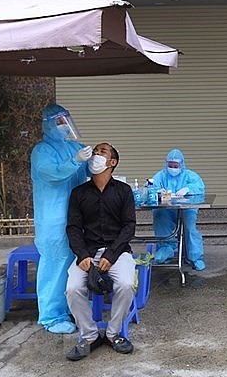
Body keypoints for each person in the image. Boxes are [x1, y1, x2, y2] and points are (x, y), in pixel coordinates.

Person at [65, 142, 137, 361]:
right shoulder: (79, 193)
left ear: (112, 162)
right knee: (73, 288)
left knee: (125, 285)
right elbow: (74, 228)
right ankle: (89, 336)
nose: (95, 154)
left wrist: (112, 254)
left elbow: (129, 226)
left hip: (118, 252)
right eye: (95, 151)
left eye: (102, 151)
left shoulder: (124, 191)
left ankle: (114, 334)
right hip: (88, 252)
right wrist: (82, 255)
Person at [31, 103, 92, 334]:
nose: (64, 126)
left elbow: (85, 171)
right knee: (55, 265)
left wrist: (95, 163)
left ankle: (72, 309)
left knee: (74, 265)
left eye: (65, 120)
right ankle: (52, 316)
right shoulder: (41, 151)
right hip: (54, 219)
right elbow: (53, 174)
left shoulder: (72, 147)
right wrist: (76, 160)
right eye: (59, 122)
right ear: (47, 124)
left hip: (76, 216)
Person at [152, 148, 206, 270]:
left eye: (175, 166)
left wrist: (188, 189)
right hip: (166, 209)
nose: (173, 168)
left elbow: (200, 188)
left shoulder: (190, 176)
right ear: (166, 164)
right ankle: (166, 250)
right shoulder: (160, 176)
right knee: (160, 217)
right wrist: (158, 192)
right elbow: (152, 187)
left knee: (189, 227)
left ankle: (195, 257)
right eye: (170, 165)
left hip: (187, 209)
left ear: (181, 164)